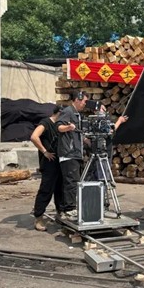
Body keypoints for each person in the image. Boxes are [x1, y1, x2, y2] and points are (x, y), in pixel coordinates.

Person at [55, 90, 89, 219]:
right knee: (71, 182)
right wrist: (69, 127)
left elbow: (78, 133)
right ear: (77, 99)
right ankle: (69, 208)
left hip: (76, 153)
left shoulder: (77, 114)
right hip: (68, 153)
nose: (85, 104)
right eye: (84, 101)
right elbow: (59, 127)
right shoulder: (68, 111)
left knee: (75, 181)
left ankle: (70, 206)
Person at [30, 105, 63, 231]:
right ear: (59, 113)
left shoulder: (60, 125)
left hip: (60, 161)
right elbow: (34, 137)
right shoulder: (46, 123)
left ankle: (60, 213)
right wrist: (45, 151)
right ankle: (38, 217)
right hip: (49, 162)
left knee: (60, 189)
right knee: (46, 189)